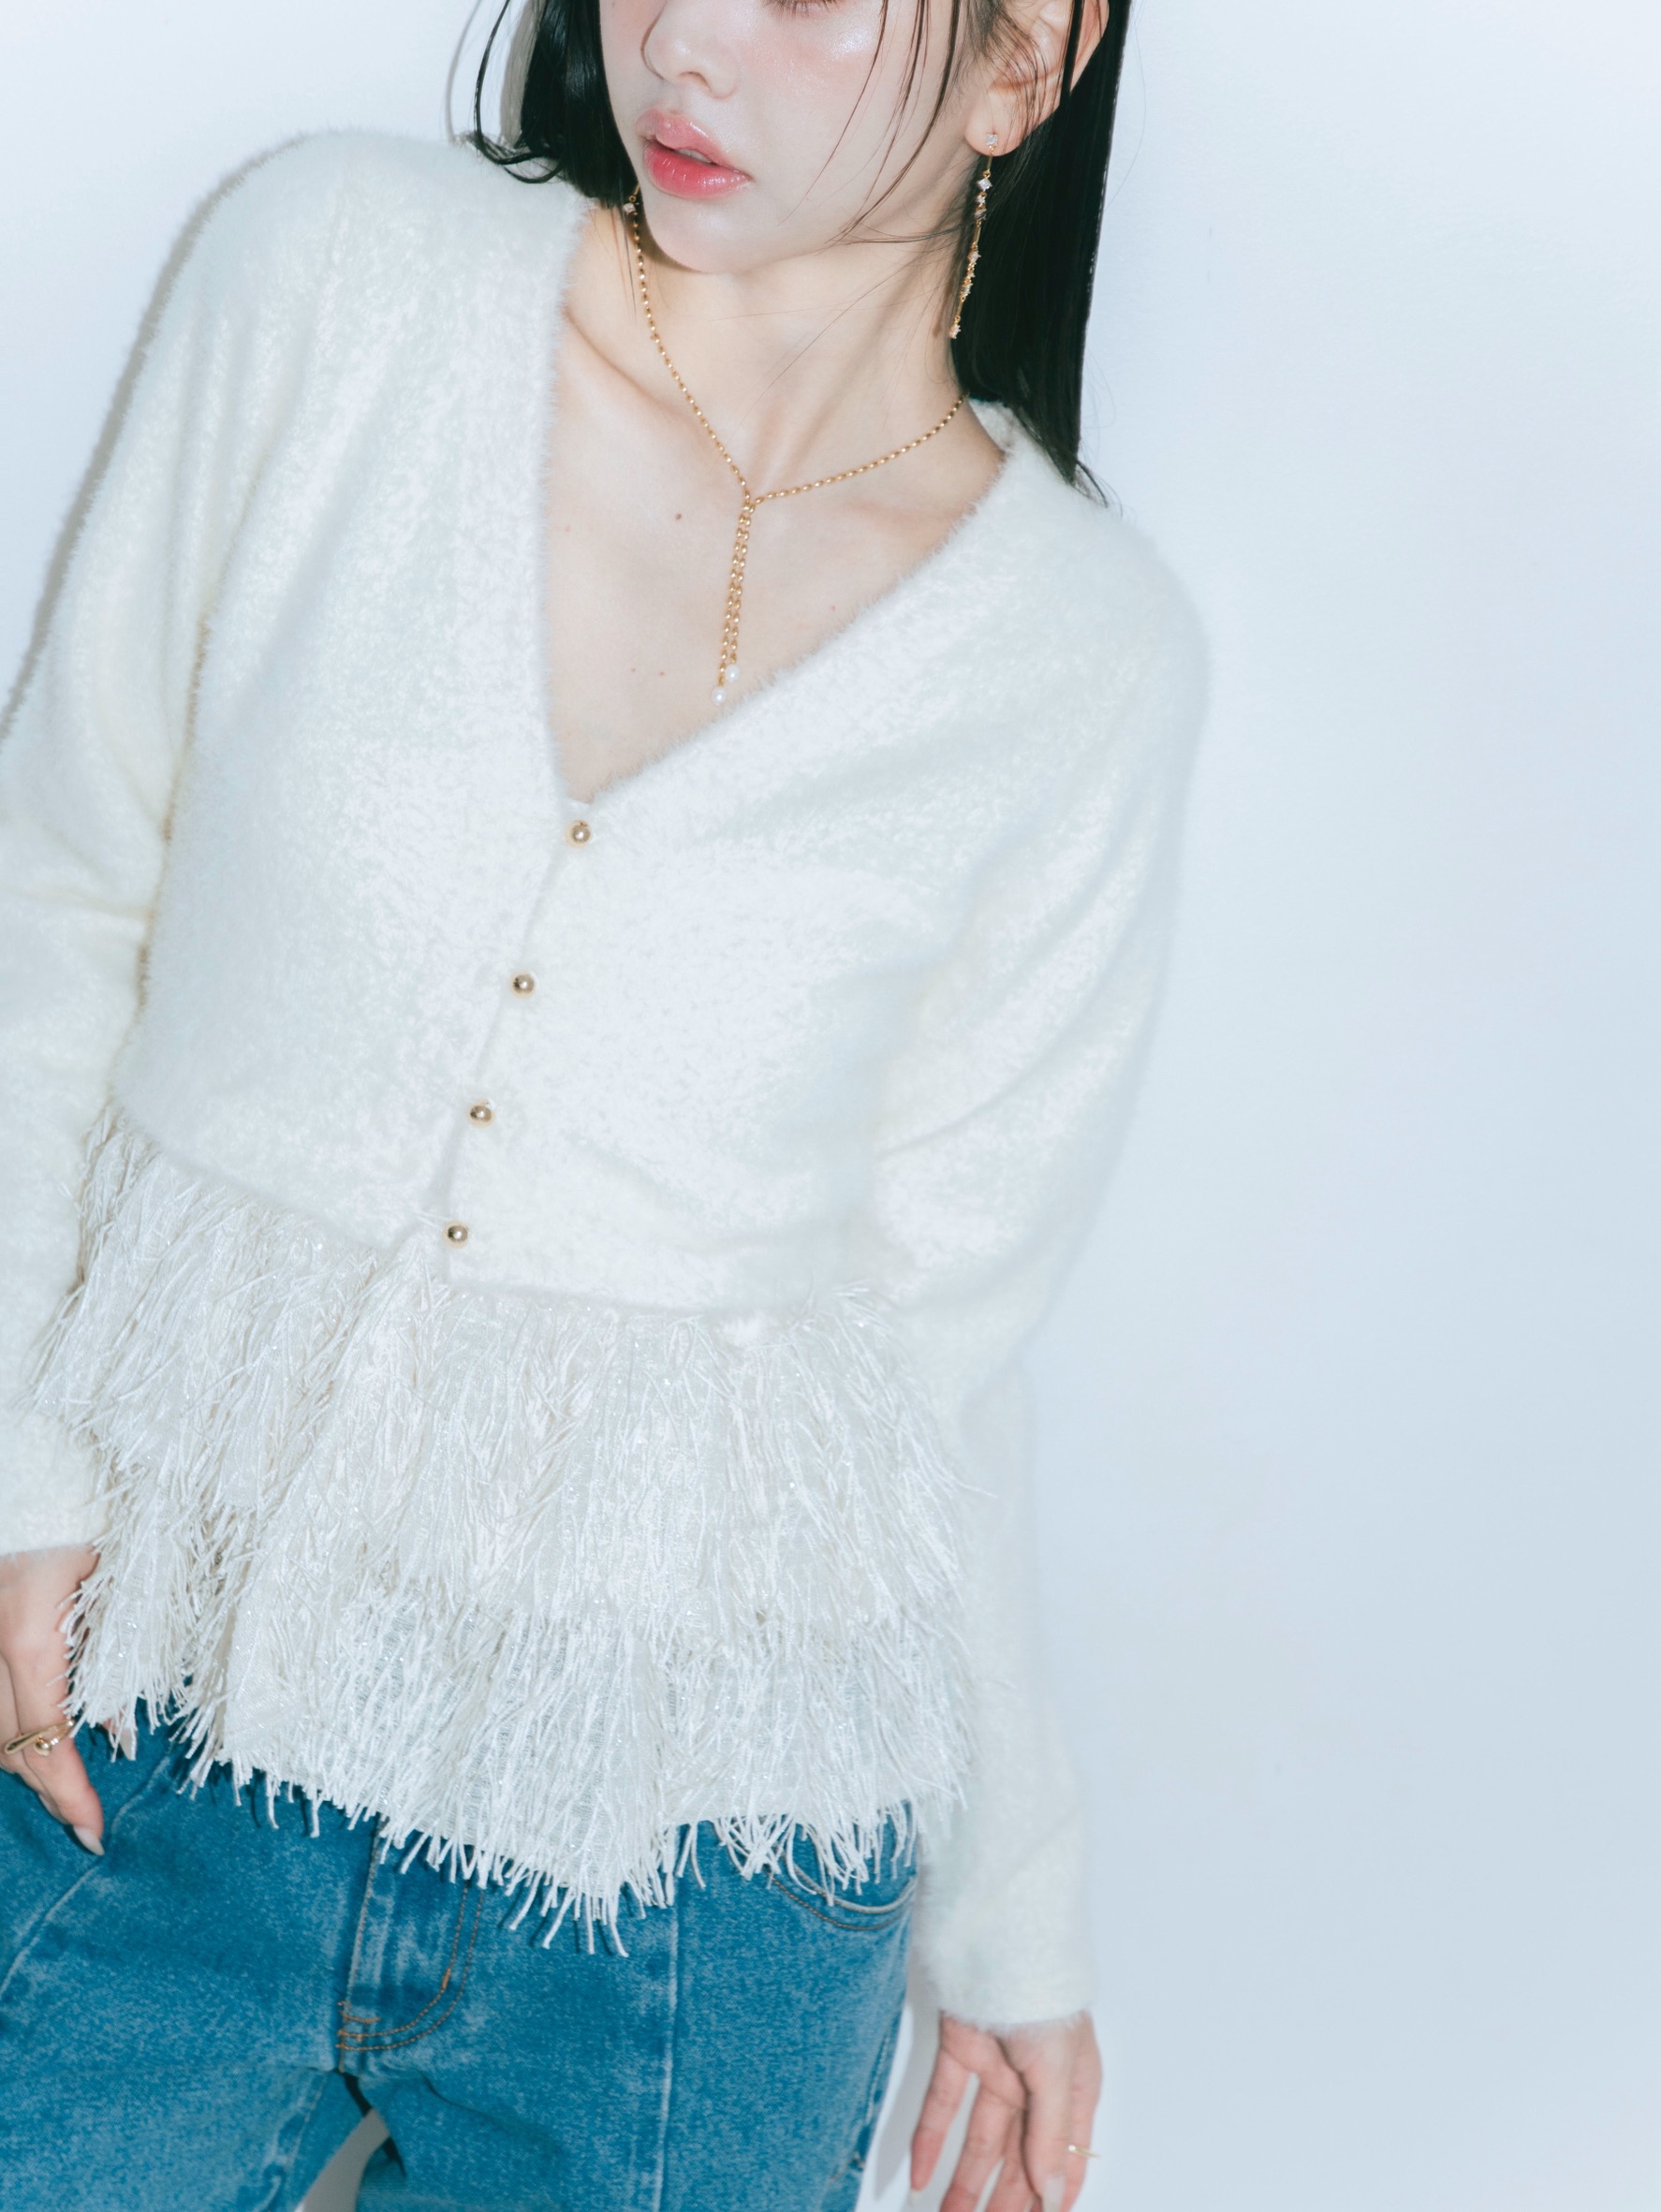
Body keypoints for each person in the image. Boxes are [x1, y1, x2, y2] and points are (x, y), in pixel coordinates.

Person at [0, 0, 1202, 2199]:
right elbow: (53, 903)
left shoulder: (1076, 657)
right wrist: (16, 1471)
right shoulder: (333, 276)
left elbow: (930, 1366)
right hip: (143, 1733)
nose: (682, 42)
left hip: (690, 1906)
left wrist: (1012, 1923)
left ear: (1024, 56)